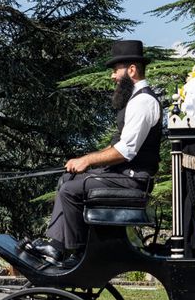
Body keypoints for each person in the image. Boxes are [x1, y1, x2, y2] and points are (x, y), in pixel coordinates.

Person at [27, 40, 163, 266]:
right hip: (126, 176)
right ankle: (58, 246)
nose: (112, 76)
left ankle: (75, 254)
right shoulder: (136, 101)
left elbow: (125, 150)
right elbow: (117, 148)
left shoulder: (143, 102)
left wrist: (87, 160)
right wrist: (85, 162)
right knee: (67, 178)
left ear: (131, 70)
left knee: (70, 189)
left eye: (115, 70)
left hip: (134, 180)